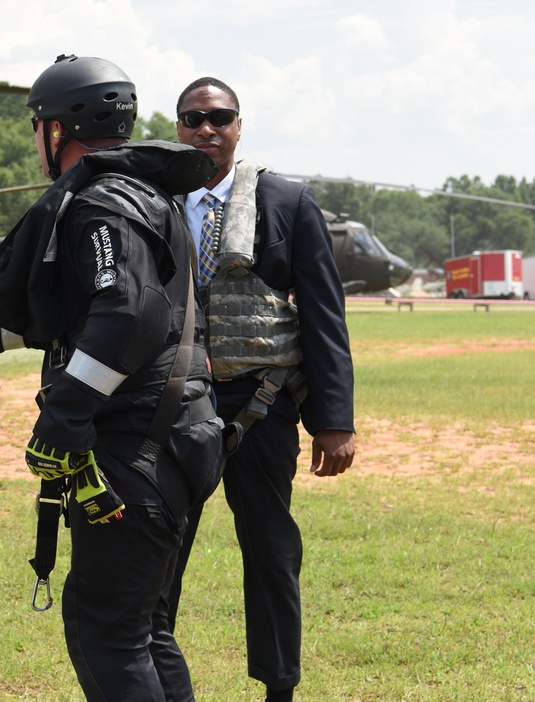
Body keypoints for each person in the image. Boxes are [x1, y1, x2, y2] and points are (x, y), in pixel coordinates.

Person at [0, 55, 227, 701]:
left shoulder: (101, 203)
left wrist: (66, 412)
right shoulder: (143, 193)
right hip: (173, 440)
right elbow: (69, 315)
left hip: (134, 450)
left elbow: (131, 314)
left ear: (56, 130)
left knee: (106, 633)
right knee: (144, 631)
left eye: (38, 128)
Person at [168, 76, 356, 702]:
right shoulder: (154, 199)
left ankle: (280, 687)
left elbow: (325, 315)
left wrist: (334, 419)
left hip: (262, 405)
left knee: (272, 554)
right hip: (171, 408)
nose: (206, 129)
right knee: (158, 549)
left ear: (239, 125)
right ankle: (149, 675)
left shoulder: (286, 202)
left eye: (219, 117)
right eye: (194, 118)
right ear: (178, 128)